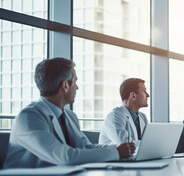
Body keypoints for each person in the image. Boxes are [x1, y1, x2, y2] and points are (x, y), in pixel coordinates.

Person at [4, 58, 135, 168]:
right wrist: (116, 152)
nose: (77, 87)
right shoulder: (29, 118)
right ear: (65, 85)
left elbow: (85, 147)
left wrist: (117, 147)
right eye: (75, 81)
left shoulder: (69, 116)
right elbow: (65, 157)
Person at [99, 78, 149, 145]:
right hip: (116, 155)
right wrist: (151, 145)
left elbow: (147, 142)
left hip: (137, 155)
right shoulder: (115, 116)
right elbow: (125, 145)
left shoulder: (143, 117)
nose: (148, 95)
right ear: (133, 96)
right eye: (144, 91)